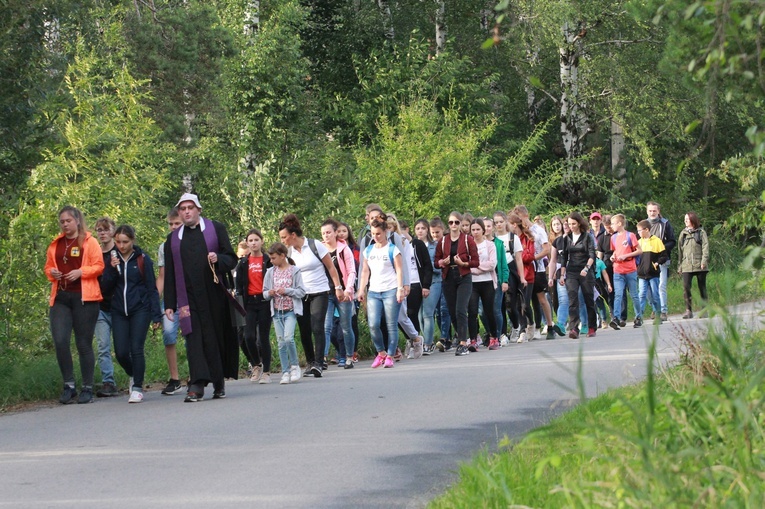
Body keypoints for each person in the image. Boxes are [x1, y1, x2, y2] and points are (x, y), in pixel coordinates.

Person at [163, 193, 239, 402]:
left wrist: (218, 259)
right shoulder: (173, 239)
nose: (186, 211)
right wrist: (169, 303)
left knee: (214, 337)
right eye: (183, 208)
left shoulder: (216, 229)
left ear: (199, 210)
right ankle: (196, 385)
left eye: (190, 207)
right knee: (193, 339)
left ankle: (218, 382)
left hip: (214, 296)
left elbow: (231, 259)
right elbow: (169, 272)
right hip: (188, 298)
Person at [45, 206, 104, 404]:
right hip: (61, 297)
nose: (65, 225)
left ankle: (87, 387)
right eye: (62, 221)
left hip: (84, 297)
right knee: (61, 341)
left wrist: (81, 272)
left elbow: (99, 266)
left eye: (68, 221)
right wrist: (52, 272)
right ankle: (69, 385)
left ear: (77, 221)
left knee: (83, 343)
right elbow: (48, 267)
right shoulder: (56, 243)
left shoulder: (90, 241)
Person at [101, 225, 162, 403]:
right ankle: (134, 373)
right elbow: (105, 287)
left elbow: (152, 288)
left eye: (125, 242)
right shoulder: (112, 259)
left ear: (132, 240)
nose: (121, 245)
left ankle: (137, 387)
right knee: (120, 351)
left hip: (140, 309)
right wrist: (111, 270)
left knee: (136, 348)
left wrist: (156, 315)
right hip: (119, 310)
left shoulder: (142, 259)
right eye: (118, 242)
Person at [278, 213, 345, 377]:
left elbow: (331, 267)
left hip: (320, 292)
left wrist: (338, 287)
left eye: (284, 237)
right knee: (304, 329)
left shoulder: (315, 245)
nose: (283, 241)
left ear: (293, 235)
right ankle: (309, 362)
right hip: (300, 295)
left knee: (317, 327)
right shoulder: (289, 253)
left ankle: (318, 363)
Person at [357, 214, 406, 368]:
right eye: (373, 234)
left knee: (391, 324)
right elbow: (365, 272)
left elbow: (399, 270)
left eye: (378, 233)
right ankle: (381, 353)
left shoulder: (393, 249)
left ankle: (391, 355)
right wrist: (361, 289)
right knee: (373, 324)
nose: (375, 237)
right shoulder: (368, 250)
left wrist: (400, 289)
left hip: (390, 289)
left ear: (385, 232)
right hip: (374, 291)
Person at [436, 212, 479, 356]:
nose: (453, 225)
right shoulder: (443, 241)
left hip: (464, 276)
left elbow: (476, 261)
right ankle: (462, 336)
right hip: (448, 277)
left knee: (461, 309)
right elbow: (436, 262)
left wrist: (463, 263)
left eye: (456, 222)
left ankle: (462, 343)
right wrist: (443, 262)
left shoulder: (468, 240)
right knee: (453, 311)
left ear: (461, 224)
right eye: (450, 222)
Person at [263, 242, 307, 384]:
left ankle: (295, 366)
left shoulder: (294, 271)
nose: (271, 261)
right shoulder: (270, 272)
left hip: (290, 311)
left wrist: (287, 291)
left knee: (288, 338)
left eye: (274, 258)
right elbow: (264, 293)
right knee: (281, 342)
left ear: (283, 256)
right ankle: (285, 372)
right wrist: (269, 293)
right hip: (276, 311)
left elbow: (301, 291)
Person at [235, 228, 273, 384]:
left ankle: (267, 371)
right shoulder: (243, 263)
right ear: (247, 243)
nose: (253, 243)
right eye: (250, 240)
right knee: (248, 336)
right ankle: (256, 364)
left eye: (256, 240)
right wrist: (239, 304)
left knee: (262, 338)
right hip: (249, 303)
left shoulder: (268, 260)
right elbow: (238, 287)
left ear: (261, 241)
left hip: (264, 302)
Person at [513, 205, 554, 340]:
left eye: (520, 218)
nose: (519, 222)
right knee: (526, 299)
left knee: (541, 299)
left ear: (526, 215)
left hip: (539, 268)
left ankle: (548, 325)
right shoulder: (519, 233)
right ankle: (529, 326)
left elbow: (546, 249)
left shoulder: (538, 230)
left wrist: (532, 259)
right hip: (526, 269)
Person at [155, 208, 184, 395]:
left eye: (177, 224)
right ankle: (174, 378)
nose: (173, 227)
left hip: (188, 297)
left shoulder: (191, 242)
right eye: (170, 224)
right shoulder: (164, 246)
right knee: (168, 333)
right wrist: (154, 301)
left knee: (192, 336)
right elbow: (162, 276)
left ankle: (197, 374)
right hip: (170, 300)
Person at [320, 218, 356, 368]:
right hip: (326, 292)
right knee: (326, 326)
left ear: (335, 233)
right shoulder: (320, 250)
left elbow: (352, 271)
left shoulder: (344, 249)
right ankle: (323, 358)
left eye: (329, 232)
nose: (326, 235)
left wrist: (348, 289)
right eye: (323, 233)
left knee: (346, 326)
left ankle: (349, 356)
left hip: (343, 293)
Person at [558, 212, 598, 339]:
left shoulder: (587, 237)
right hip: (572, 271)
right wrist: (562, 274)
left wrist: (586, 268)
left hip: (586, 269)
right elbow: (564, 257)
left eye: (573, 224)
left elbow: (592, 255)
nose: (571, 226)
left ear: (579, 223)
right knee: (572, 299)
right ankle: (574, 328)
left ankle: (591, 327)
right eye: (569, 224)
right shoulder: (566, 238)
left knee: (588, 299)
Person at [93, 217, 119, 397]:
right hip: (100, 306)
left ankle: (135, 378)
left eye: (105, 229)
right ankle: (108, 382)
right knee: (103, 345)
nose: (102, 233)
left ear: (113, 231)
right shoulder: (95, 254)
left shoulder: (120, 251)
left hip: (118, 306)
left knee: (123, 346)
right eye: (99, 230)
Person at [494, 211, 526, 342]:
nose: (499, 225)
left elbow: (519, 259)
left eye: (501, 221)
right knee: (499, 303)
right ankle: (502, 333)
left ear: (505, 221)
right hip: (496, 270)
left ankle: (516, 325)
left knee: (510, 303)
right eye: (496, 222)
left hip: (510, 268)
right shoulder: (493, 238)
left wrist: (522, 277)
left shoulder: (512, 238)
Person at [468, 219, 498, 350]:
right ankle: (473, 339)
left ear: (483, 230)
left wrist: (477, 267)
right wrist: (475, 268)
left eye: (478, 229)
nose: (475, 232)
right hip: (472, 283)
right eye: (473, 230)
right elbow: (466, 265)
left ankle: (494, 337)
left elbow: (492, 264)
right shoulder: (468, 245)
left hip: (487, 282)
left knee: (488, 311)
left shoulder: (489, 245)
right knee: (472, 311)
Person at [608, 214, 643, 329]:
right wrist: (613, 257)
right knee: (618, 294)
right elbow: (615, 251)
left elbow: (639, 251)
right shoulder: (613, 237)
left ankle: (638, 317)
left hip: (630, 269)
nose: (611, 226)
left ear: (619, 223)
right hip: (618, 270)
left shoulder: (630, 235)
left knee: (634, 294)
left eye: (613, 223)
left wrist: (626, 255)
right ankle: (616, 318)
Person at [645, 201, 676, 321]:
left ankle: (663, 311)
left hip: (662, 259)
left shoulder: (665, 224)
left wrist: (661, 247)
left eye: (654, 210)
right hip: (647, 261)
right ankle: (654, 308)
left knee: (661, 286)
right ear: (647, 211)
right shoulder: (644, 224)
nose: (652, 213)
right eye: (650, 211)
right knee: (647, 288)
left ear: (658, 211)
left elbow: (672, 241)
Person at [507, 214, 535, 343]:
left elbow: (530, 257)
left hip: (527, 275)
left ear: (513, 225)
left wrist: (517, 255)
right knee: (516, 305)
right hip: (514, 274)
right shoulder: (508, 239)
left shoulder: (528, 237)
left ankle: (531, 323)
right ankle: (522, 330)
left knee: (525, 304)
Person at [482, 217, 509, 347]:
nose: (486, 229)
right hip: (480, 279)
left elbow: (503, 263)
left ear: (492, 228)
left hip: (495, 278)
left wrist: (505, 280)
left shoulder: (498, 243)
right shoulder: (475, 243)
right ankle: (490, 332)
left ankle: (498, 335)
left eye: (488, 226)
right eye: (484, 226)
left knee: (496, 309)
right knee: (482, 311)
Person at [677, 212, 710, 318]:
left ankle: (704, 310)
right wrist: (680, 265)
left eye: (687, 219)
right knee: (686, 287)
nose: (685, 221)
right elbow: (680, 250)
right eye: (685, 219)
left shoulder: (701, 232)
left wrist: (704, 261)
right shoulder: (683, 234)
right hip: (686, 265)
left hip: (700, 264)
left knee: (702, 287)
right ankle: (688, 310)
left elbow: (705, 247)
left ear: (693, 220)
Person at [337, 221, 361, 361]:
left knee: (351, 320)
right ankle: (341, 351)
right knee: (335, 323)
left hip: (352, 286)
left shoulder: (354, 248)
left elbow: (357, 266)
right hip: (336, 289)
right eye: (339, 231)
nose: (341, 234)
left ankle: (353, 351)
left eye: (344, 231)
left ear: (348, 232)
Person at [636, 220, 668, 324]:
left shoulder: (656, 241)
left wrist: (657, 263)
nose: (638, 233)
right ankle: (639, 317)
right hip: (641, 274)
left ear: (646, 230)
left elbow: (664, 256)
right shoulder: (639, 242)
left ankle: (658, 315)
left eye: (640, 230)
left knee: (655, 295)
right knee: (641, 295)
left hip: (653, 274)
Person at [415, 219, 439, 353]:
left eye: (423, 228)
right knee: (419, 315)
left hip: (434, 281)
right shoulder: (411, 245)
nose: (420, 231)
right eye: (418, 228)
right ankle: (425, 340)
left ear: (427, 230)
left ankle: (428, 344)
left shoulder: (434, 246)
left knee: (428, 314)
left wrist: (427, 267)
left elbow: (438, 265)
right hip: (417, 283)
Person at [546, 215, 568, 337]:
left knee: (578, 299)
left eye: (558, 224)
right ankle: (560, 323)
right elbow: (552, 260)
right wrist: (551, 275)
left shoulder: (569, 239)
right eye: (554, 225)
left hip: (573, 270)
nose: (557, 226)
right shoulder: (552, 241)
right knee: (561, 299)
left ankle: (585, 322)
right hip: (557, 271)